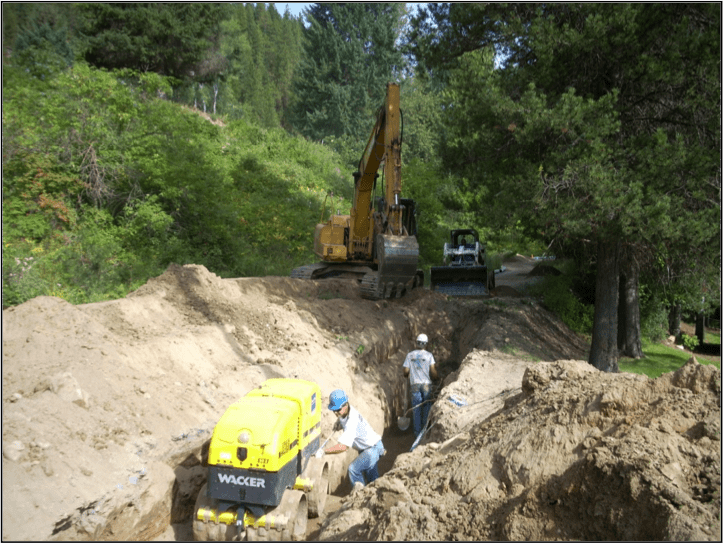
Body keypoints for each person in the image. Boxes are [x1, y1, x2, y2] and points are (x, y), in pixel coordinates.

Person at [315, 389, 385, 491]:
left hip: (373, 449)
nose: (335, 413)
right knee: (372, 480)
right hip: (369, 447)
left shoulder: (352, 422)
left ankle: (359, 497)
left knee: (353, 469)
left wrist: (324, 452)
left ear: (345, 405)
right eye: (334, 410)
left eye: (337, 410)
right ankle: (374, 496)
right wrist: (339, 422)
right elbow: (343, 417)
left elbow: (343, 447)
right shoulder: (347, 411)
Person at [403, 333, 438, 436]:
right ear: (426, 344)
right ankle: (425, 430)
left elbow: (405, 371)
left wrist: (408, 374)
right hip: (426, 384)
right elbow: (433, 371)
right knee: (427, 406)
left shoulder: (410, 355)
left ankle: (417, 433)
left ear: (417, 343)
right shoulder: (429, 355)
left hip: (415, 385)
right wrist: (436, 378)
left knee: (416, 408)